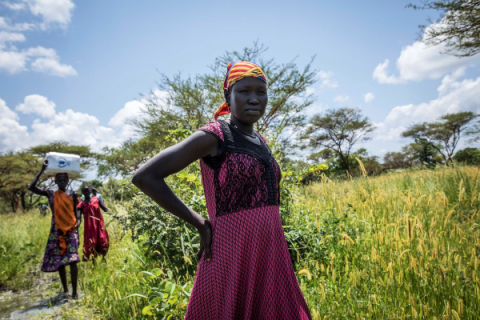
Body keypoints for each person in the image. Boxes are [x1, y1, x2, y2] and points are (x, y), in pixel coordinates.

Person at [132, 61, 312, 319]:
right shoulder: (216, 135)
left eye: (261, 92)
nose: (254, 99)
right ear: (228, 95)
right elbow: (146, 176)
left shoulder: (261, 141)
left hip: (269, 252)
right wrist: (199, 223)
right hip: (232, 251)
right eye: (244, 91)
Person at [28, 160, 80, 300]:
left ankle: (75, 293)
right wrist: (41, 171)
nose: (62, 181)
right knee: (60, 261)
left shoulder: (73, 194)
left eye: (64, 179)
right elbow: (31, 187)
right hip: (56, 231)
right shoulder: (51, 194)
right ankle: (65, 290)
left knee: (73, 260)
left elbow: (76, 213)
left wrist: (78, 233)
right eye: (59, 180)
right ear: (56, 181)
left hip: (71, 230)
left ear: (67, 180)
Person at [76, 185, 110, 261]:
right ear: (82, 192)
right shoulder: (81, 205)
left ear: (90, 191)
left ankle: (104, 261)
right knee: (92, 245)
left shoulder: (96, 199)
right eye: (84, 191)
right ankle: (94, 264)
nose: (86, 192)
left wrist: (115, 215)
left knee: (103, 241)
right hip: (89, 229)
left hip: (99, 226)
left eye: (87, 190)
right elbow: (78, 218)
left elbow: (105, 209)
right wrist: (76, 226)